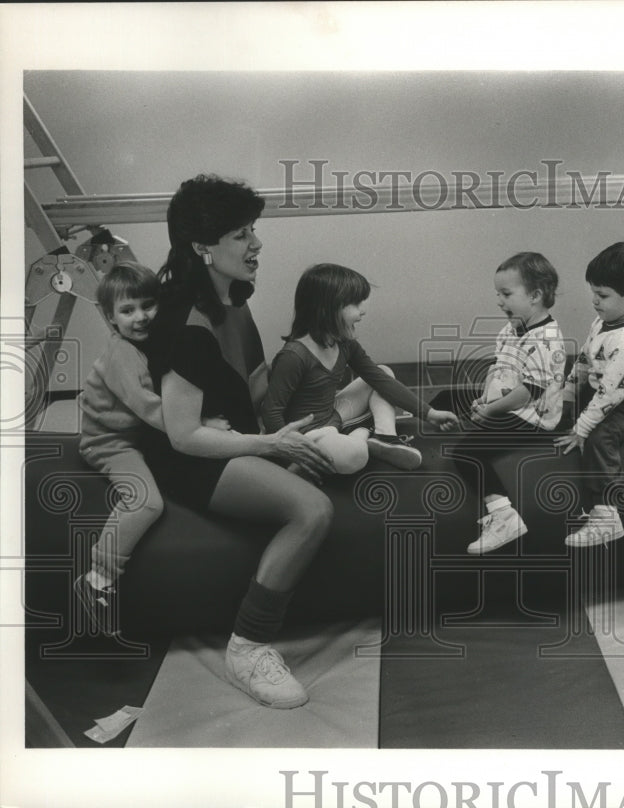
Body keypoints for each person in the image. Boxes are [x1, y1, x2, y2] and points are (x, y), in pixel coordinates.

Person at [143, 174, 341, 709]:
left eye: (253, 230)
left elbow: (254, 383)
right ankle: (248, 648)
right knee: (312, 511)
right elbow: (184, 437)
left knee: (334, 449)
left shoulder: (234, 299)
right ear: (201, 247)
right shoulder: (184, 322)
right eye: (240, 235)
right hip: (192, 458)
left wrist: (317, 400)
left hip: (241, 435)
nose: (256, 244)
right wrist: (273, 447)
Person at [260, 263, 459, 473]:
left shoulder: (344, 343)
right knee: (355, 455)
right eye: (355, 303)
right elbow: (271, 412)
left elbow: (380, 381)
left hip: (333, 415)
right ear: (328, 309)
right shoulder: (294, 355)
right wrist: (293, 452)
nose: (362, 311)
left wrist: (429, 413)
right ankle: (362, 432)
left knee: (383, 372)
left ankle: (385, 437)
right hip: (310, 434)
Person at [447, 252, 566, 554]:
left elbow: (529, 392)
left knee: (467, 453)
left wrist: (490, 411)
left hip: (533, 418)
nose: (499, 301)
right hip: (509, 405)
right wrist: (484, 400)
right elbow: (497, 369)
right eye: (497, 294)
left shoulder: (546, 338)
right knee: (448, 399)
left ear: (536, 295)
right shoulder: (511, 329)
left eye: (506, 294)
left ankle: (503, 515)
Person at [74, 262, 169, 636]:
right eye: (128, 311)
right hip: (110, 443)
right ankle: (97, 578)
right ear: (110, 318)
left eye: (148, 305)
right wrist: (198, 427)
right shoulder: (121, 354)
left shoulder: (149, 344)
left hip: (139, 435)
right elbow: (147, 405)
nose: (141, 317)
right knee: (147, 501)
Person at [556, 242, 624, 546]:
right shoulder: (604, 322)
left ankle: (606, 516)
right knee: (557, 410)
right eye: (594, 292)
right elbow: (586, 360)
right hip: (603, 388)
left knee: (600, 439)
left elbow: (608, 396)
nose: (594, 301)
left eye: (602, 296)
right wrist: (566, 393)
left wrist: (580, 430)